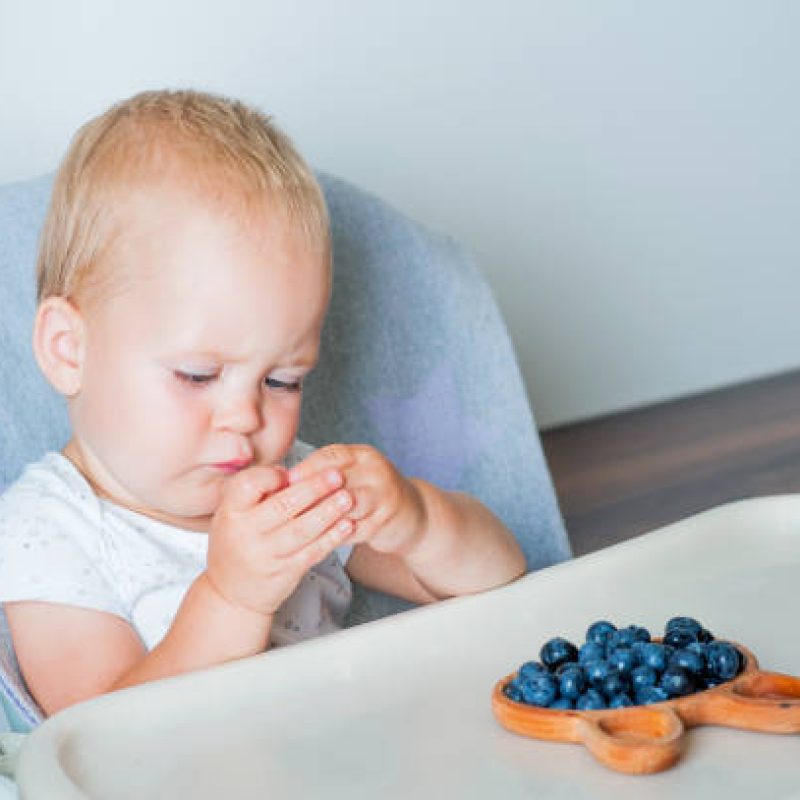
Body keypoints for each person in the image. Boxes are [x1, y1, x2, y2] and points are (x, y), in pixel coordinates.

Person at [0, 89, 526, 717]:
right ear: (69, 351)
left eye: (282, 381)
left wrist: (417, 518)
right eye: (198, 375)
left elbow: (499, 583)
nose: (246, 418)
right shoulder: (50, 530)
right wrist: (232, 598)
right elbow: (92, 735)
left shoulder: (287, 488)